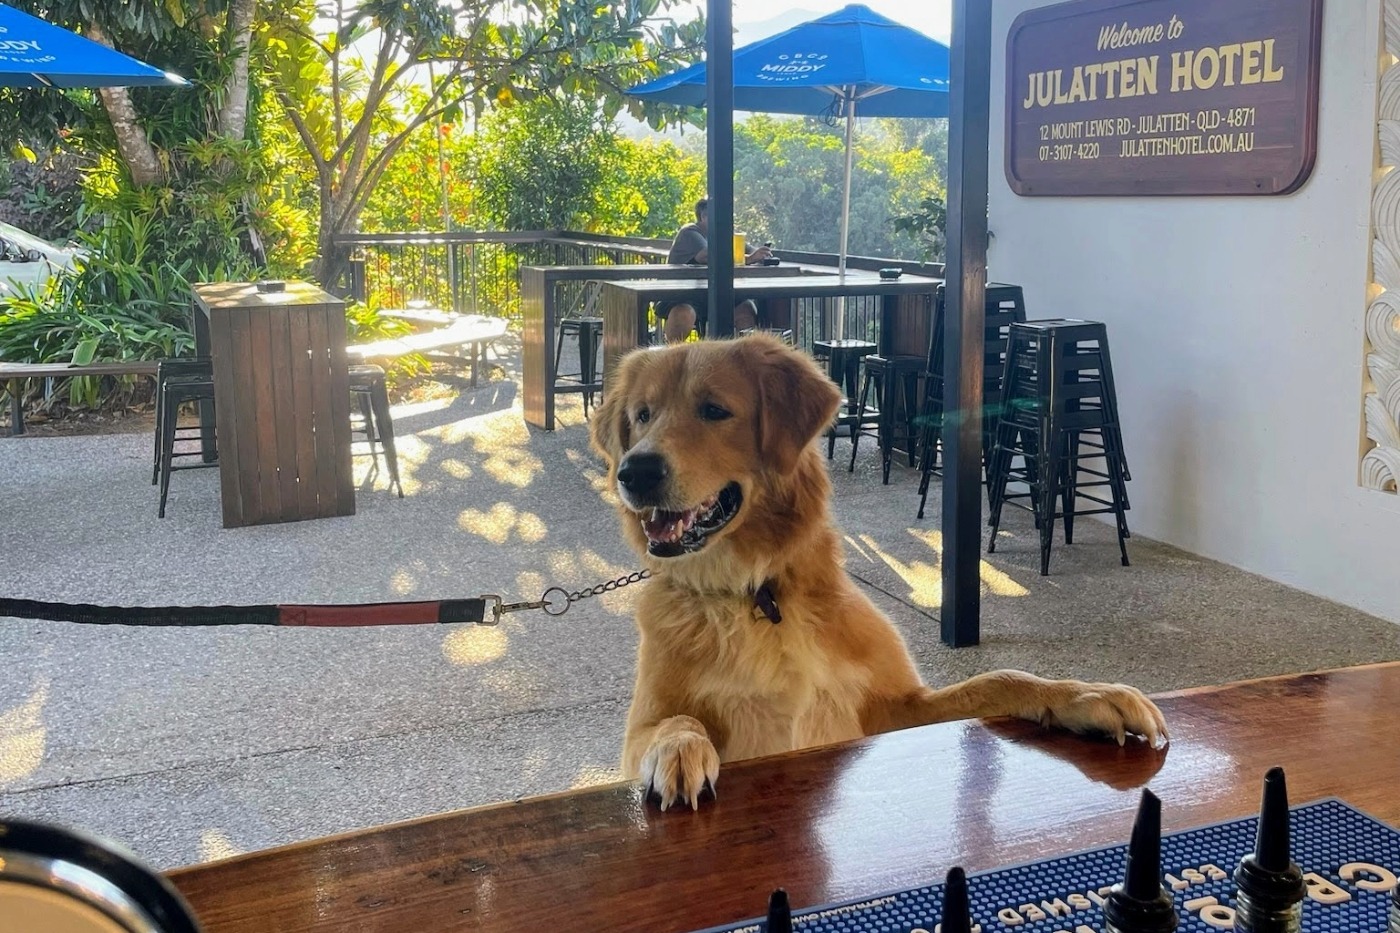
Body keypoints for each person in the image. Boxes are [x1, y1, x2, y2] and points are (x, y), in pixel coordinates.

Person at [657, 197, 773, 343]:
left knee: (746, 308)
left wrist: (762, 254)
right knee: (684, 313)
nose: (725, 221)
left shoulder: (726, 235)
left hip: (713, 294)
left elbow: (749, 249)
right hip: (681, 295)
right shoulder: (690, 232)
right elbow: (709, 255)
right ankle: (670, 356)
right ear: (704, 217)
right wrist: (749, 259)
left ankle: (746, 356)